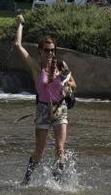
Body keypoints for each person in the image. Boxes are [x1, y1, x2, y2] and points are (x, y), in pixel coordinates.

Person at [13, 17, 77, 181]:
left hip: (60, 109)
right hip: (42, 109)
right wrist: (20, 25)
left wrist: (66, 88)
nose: (50, 53)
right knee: (39, 150)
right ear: (40, 51)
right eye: (47, 50)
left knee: (60, 148)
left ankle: (57, 182)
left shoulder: (61, 66)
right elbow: (18, 46)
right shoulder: (37, 67)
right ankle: (26, 180)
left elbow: (73, 84)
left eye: (53, 50)